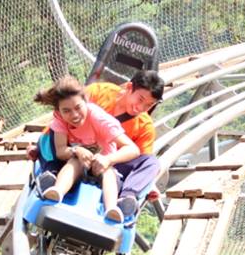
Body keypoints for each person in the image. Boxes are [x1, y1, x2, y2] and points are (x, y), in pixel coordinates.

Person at [33, 76, 140, 222]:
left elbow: (133, 149)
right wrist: (76, 150)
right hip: (80, 163)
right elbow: (61, 151)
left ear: (86, 101)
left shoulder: (98, 118)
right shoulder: (59, 120)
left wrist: (107, 159)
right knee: (74, 162)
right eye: (67, 111)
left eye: (78, 108)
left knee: (108, 173)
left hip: (102, 164)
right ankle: (57, 190)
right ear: (59, 112)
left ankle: (111, 209)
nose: (75, 115)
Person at [83, 70, 164, 219]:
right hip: (83, 154)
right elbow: (66, 116)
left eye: (148, 105)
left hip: (112, 170)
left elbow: (141, 161)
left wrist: (148, 184)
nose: (140, 108)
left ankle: (127, 198)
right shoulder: (98, 93)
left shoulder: (145, 125)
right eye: (140, 99)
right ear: (128, 87)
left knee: (152, 162)